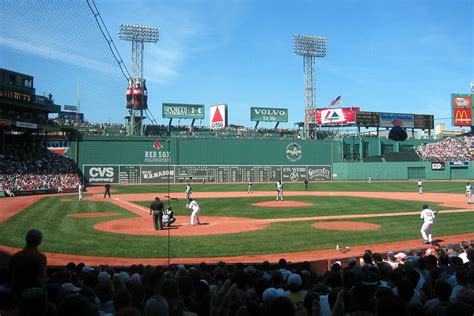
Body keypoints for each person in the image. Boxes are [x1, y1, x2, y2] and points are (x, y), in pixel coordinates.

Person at [8, 229, 47, 297]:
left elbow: (9, 276)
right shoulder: (40, 257)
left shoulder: (16, 256)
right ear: (39, 241)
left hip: (16, 295)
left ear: (26, 239)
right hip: (31, 297)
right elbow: (40, 281)